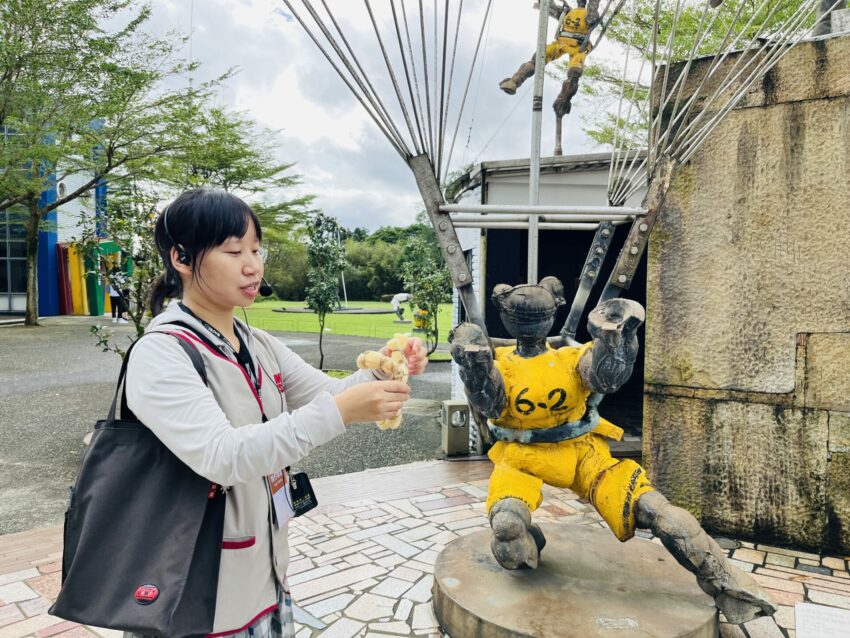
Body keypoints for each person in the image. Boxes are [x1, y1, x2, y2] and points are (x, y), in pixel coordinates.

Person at [124, 188, 427, 638]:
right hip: (195, 596)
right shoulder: (161, 353)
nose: (253, 265)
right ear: (182, 258)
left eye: (255, 249)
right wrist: (342, 411)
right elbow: (223, 456)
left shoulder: (257, 344)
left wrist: (382, 369)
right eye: (233, 251)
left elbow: (327, 394)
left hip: (262, 577)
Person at [450, 277, 775, 624]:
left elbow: (604, 376)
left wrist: (615, 339)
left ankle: (726, 581)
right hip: (520, 460)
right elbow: (491, 402)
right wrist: (475, 365)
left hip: (583, 454)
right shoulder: (498, 361)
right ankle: (528, 542)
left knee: (658, 511)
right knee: (507, 534)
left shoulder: (571, 357)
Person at [499, 0, 600, 117]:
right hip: (570, 44)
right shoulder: (572, 12)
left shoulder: (572, 12)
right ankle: (515, 82)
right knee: (544, 59)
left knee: (570, 71)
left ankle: (515, 82)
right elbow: (550, 7)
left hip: (570, 45)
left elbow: (552, 8)